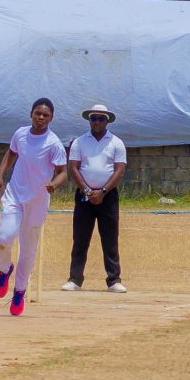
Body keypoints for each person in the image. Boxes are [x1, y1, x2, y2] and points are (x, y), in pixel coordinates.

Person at [0, 98, 68, 316]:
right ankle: (5, 270)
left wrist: (54, 184)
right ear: (31, 114)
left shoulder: (53, 143)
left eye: (45, 115)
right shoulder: (20, 134)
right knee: (5, 237)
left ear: (51, 118)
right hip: (15, 194)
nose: (41, 118)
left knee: (28, 248)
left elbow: (63, 172)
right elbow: (12, 152)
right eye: (38, 113)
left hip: (38, 200)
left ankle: (20, 290)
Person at [63, 104, 128, 293]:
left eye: (101, 118)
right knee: (80, 237)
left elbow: (119, 170)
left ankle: (114, 280)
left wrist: (103, 191)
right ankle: (75, 279)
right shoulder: (79, 142)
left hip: (108, 196)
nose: (97, 121)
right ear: (89, 120)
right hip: (85, 196)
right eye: (94, 118)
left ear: (107, 121)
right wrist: (86, 190)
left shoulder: (116, 142)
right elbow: (73, 168)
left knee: (110, 238)